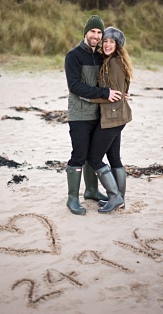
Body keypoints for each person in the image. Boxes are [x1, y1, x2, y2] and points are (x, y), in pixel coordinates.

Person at [62, 15, 123, 215]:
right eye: (93, 32)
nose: (96, 36)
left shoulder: (100, 57)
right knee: (78, 155)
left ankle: (92, 190)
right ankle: (72, 199)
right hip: (79, 115)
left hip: (99, 114)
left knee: (92, 155)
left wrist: (122, 91)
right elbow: (75, 86)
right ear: (85, 33)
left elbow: (111, 79)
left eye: (99, 32)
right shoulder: (73, 56)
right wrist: (105, 93)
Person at [84, 27, 133, 213]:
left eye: (112, 42)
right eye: (105, 41)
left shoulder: (113, 63)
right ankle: (120, 199)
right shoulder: (117, 61)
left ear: (118, 45)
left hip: (113, 117)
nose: (107, 44)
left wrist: (86, 96)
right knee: (114, 158)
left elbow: (114, 94)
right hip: (119, 116)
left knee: (94, 158)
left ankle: (114, 196)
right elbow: (123, 89)